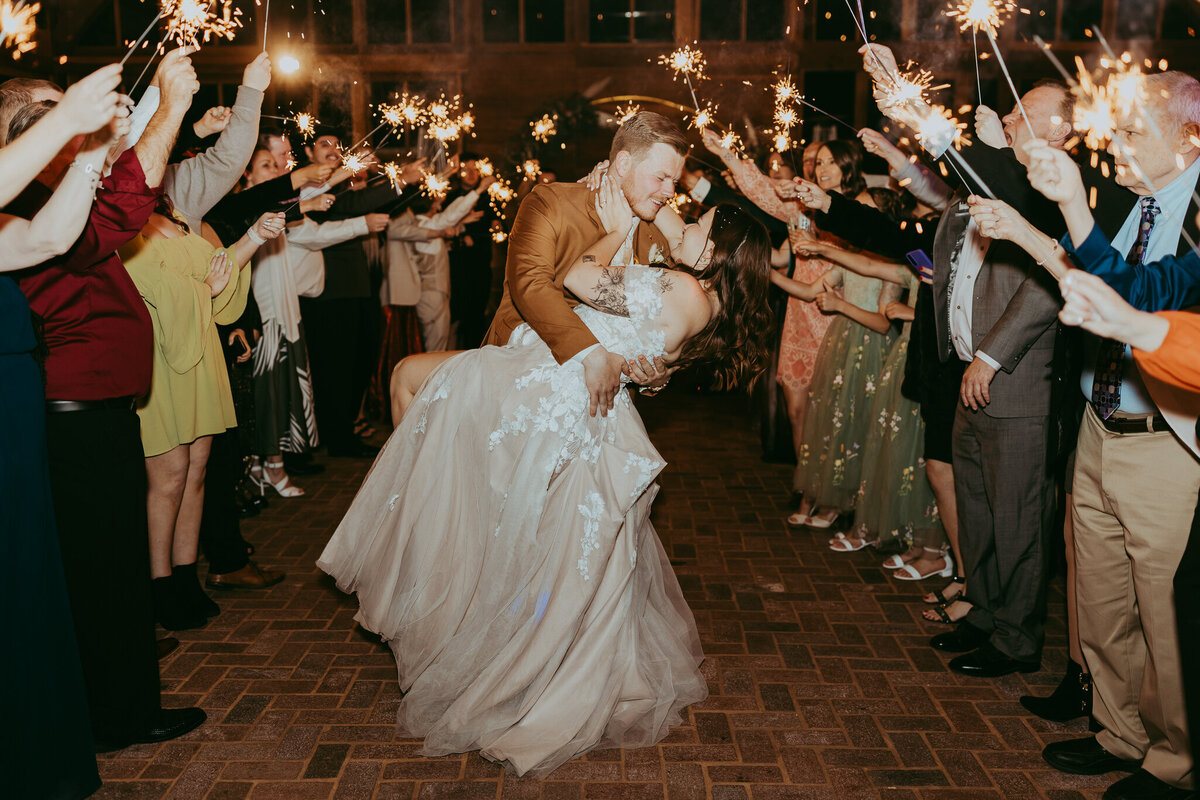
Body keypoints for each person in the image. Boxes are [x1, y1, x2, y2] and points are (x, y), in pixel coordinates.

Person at [319, 171, 772, 775]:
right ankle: (469, 616)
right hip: (591, 415)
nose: (686, 222)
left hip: (547, 393)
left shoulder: (680, 286)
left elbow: (576, 276)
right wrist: (651, 198)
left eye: (700, 226)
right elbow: (652, 360)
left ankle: (431, 584)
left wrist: (619, 222)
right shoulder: (707, 303)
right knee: (541, 550)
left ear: (714, 252)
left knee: (413, 387)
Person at [10, 45, 207, 753]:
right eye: (37, 110)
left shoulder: (45, 194)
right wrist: (169, 106)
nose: (55, 116)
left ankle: (114, 701)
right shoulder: (28, 207)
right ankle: (120, 717)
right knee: (104, 575)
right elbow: (120, 215)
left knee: (108, 570)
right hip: (73, 418)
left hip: (96, 415)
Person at [0, 60, 129, 800]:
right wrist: (68, 116)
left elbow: (48, 240)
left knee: (20, 576)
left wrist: (85, 151)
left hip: (13, 403)